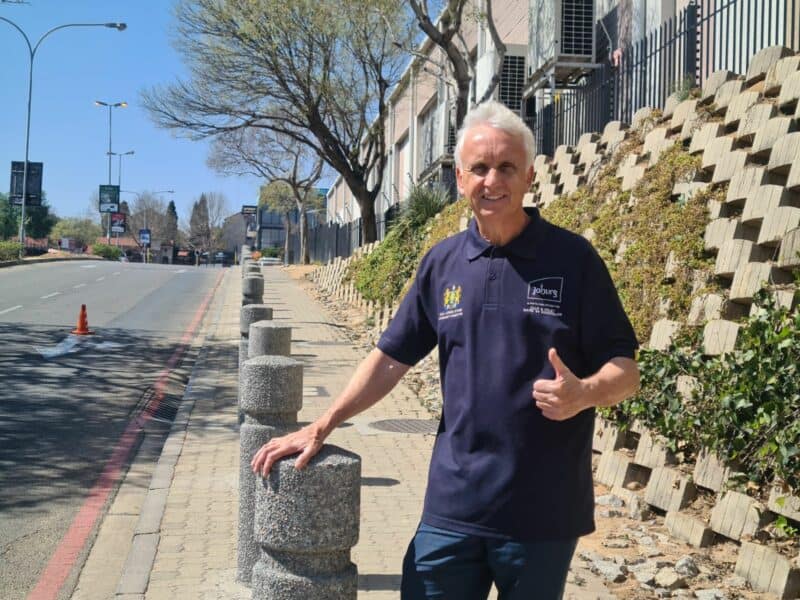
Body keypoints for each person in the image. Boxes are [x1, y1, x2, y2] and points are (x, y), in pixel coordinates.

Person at [251, 100, 640, 599]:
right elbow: (390, 359)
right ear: (459, 179)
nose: (492, 180)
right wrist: (323, 424)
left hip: (542, 512)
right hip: (454, 504)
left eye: (506, 167)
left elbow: (626, 369)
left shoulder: (574, 260)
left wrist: (584, 393)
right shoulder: (443, 263)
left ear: (529, 176)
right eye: (479, 168)